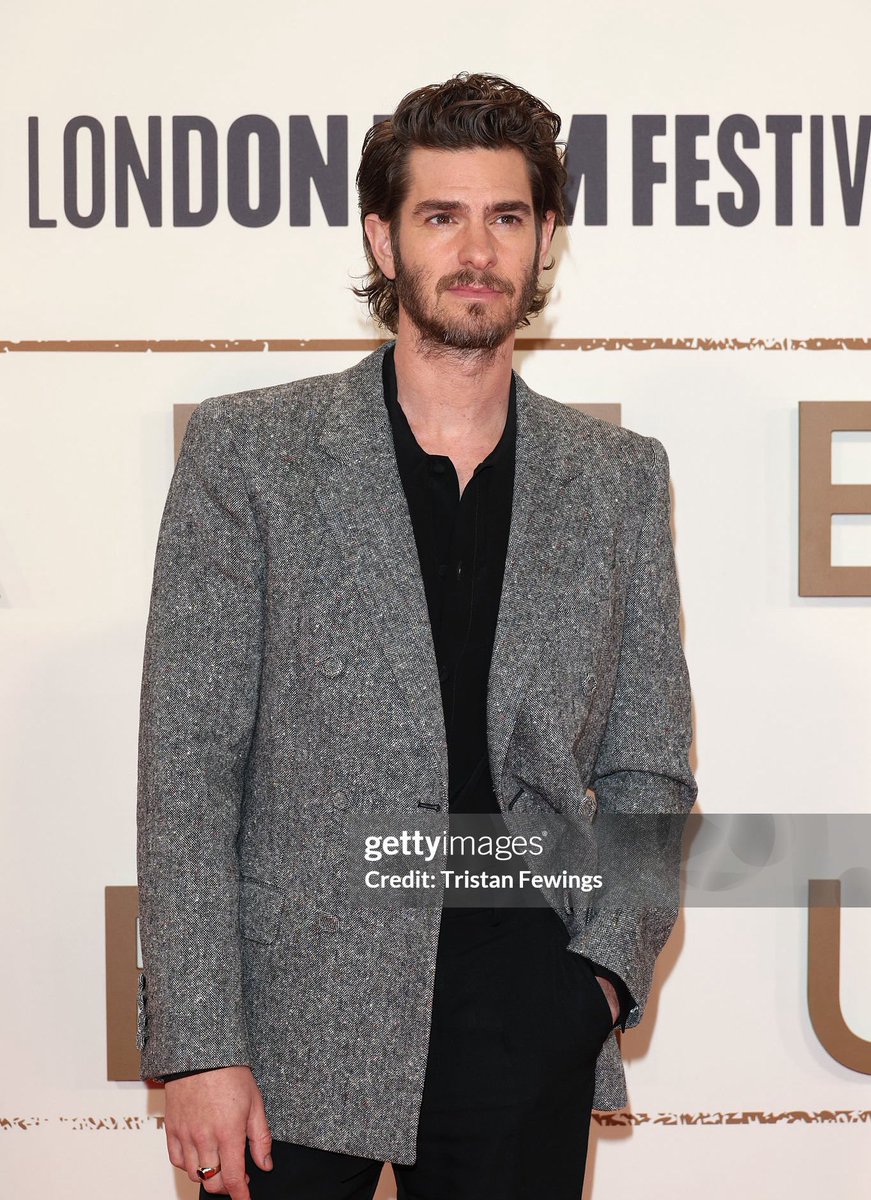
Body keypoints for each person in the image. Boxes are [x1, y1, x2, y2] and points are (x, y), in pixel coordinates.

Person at [136, 72, 697, 1200]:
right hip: (293, 1015)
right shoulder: (251, 457)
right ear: (383, 241)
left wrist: (597, 976)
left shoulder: (617, 483)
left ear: (545, 240)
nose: (475, 249)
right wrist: (199, 1044)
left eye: (505, 216)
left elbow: (649, 769)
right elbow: (189, 768)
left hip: (524, 1008)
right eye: (441, 216)